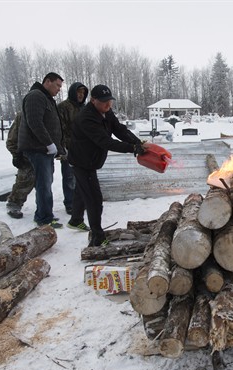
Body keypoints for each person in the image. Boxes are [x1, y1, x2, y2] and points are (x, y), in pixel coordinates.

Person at [67, 84, 147, 247]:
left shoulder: (105, 111)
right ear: (93, 100)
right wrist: (131, 148)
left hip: (91, 160)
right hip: (83, 163)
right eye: (104, 102)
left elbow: (119, 129)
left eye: (110, 101)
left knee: (82, 192)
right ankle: (98, 237)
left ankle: (75, 220)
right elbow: (105, 141)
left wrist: (137, 142)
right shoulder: (86, 118)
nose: (108, 105)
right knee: (94, 199)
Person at [18, 72, 65, 228]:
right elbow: (35, 122)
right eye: (57, 85)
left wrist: (57, 146)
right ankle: (44, 218)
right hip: (37, 149)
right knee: (43, 184)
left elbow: (52, 125)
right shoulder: (36, 96)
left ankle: (45, 214)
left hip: (44, 150)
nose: (59, 89)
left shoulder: (46, 98)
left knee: (46, 182)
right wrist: (48, 144)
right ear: (47, 81)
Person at [57, 82, 89, 216]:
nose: (81, 95)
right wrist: (64, 146)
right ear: (72, 92)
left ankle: (81, 201)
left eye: (83, 93)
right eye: (78, 92)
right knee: (69, 176)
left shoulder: (85, 108)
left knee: (83, 176)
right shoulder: (63, 107)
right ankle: (70, 203)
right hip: (69, 147)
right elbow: (59, 128)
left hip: (84, 148)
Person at [5, 112, 35, 219]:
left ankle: (43, 209)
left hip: (42, 155)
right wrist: (16, 155)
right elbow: (12, 138)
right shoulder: (23, 115)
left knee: (44, 184)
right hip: (25, 155)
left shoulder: (49, 111)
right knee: (24, 181)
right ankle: (14, 203)